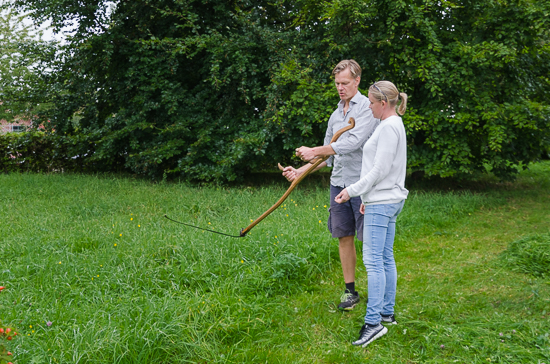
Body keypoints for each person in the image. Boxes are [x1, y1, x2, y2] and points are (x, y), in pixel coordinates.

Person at [282, 60, 379, 311]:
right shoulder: (336, 115)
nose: (340, 88)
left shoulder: (367, 109)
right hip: (338, 184)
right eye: (337, 83)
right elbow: (327, 157)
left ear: (357, 81)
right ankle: (350, 292)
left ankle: (379, 294)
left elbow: (351, 144)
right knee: (343, 237)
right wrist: (300, 170)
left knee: (369, 240)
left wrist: (314, 150)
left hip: (361, 186)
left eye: (345, 83)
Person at [334, 80, 409, 347]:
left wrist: (352, 191)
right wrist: (367, 197)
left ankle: (373, 323)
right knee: (386, 257)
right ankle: (387, 313)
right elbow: (385, 172)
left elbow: (378, 170)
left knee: (375, 262)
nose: (369, 106)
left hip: (383, 202)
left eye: (372, 102)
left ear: (383, 103)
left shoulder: (389, 127)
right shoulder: (392, 124)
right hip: (385, 199)